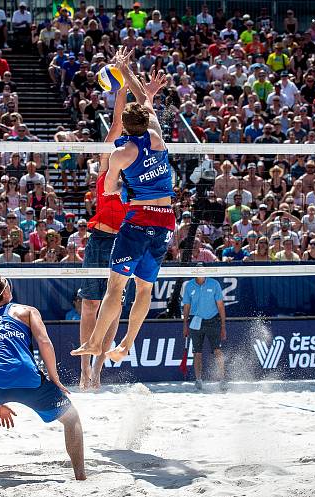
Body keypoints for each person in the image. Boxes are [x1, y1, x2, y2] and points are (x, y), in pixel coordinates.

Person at [72, 48, 173, 363]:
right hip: (166, 220)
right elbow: (145, 101)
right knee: (144, 290)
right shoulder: (157, 137)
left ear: (126, 127)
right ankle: (126, 343)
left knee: (116, 287)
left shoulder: (120, 154)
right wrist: (127, 72)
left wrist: (123, 185)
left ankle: (94, 342)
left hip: (140, 219)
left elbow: (107, 187)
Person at [0, 272, 85, 481]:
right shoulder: (27, 311)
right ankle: (80, 476)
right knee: (71, 418)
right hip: (30, 381)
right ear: (6, 291)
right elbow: (44, 343)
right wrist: (55, 378)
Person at [76, 84, 129, 389]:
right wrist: (121, 89)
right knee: (89, 306)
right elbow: (116, 126)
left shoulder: (136, 185)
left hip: (121, 244)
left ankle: (98, 370)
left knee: (114, 308)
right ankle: (84, 368)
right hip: (98, 240)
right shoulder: (105, 174)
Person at [182, 277, 227, 390]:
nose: (200, 273)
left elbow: (220, 305)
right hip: (195, 321)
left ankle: (222, 380)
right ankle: (198, 380)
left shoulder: (214, 283)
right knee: (197, 353)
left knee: (217, 351)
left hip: (213, 320)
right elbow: (186, 306)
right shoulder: (189, 285)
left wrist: (223, 326)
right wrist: (185, 325)